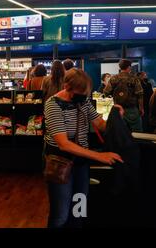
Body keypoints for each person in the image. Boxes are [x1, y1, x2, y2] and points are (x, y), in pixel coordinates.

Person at [44, 68, 124, 228]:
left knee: (78, 209)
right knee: (61, 214)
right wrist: (99, 156)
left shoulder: (83, 101)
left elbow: (100, 124)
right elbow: (63, 144)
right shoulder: (52, 105)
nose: (83, 98)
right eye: (80, 94)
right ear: (67, 87)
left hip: (81, 164)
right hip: (60, 164)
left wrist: (116, 117)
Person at [104, 59, 144, 132]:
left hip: (118, 109)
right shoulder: (134, 79)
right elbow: (140, 94)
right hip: (132, 109)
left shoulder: (113, 78)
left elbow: (106, 92)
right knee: (137, 132)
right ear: (129, 67)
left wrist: (114, 100)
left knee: (120, 132)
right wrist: (141, 108)